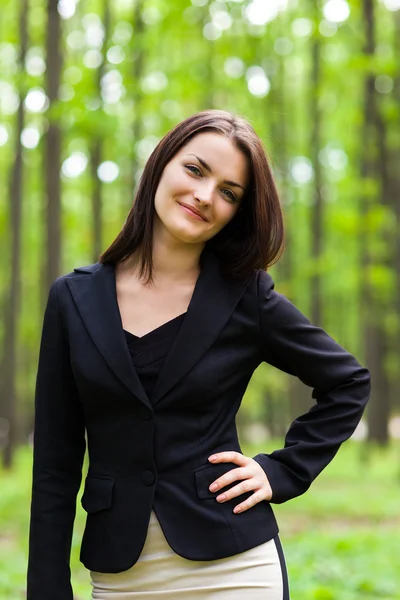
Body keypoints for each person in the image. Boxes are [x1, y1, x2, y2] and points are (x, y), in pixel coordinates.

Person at [27, 109, 371, 600]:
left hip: (236, 569)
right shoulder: (73, 300)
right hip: (121, 575)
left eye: (229, 193)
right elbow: (55, 465)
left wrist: (282, 470)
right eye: (195, 169)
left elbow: (347, 381)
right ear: (161, 165)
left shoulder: (245, 296)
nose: (205, 196)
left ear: (237, 212)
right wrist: (46, 588)